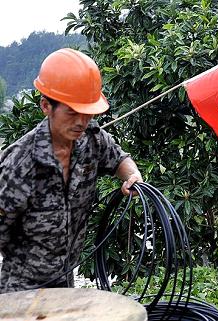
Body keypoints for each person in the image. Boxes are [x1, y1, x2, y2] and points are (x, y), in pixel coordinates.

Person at [0, 48, 143, 293]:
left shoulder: (91, 139)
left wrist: (132, 175)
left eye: (87, 114)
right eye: (72, 113)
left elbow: (119, 158)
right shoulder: (20, 165)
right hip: (21, 292)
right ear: (46, 106)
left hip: (66, 286)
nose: (81, 122)